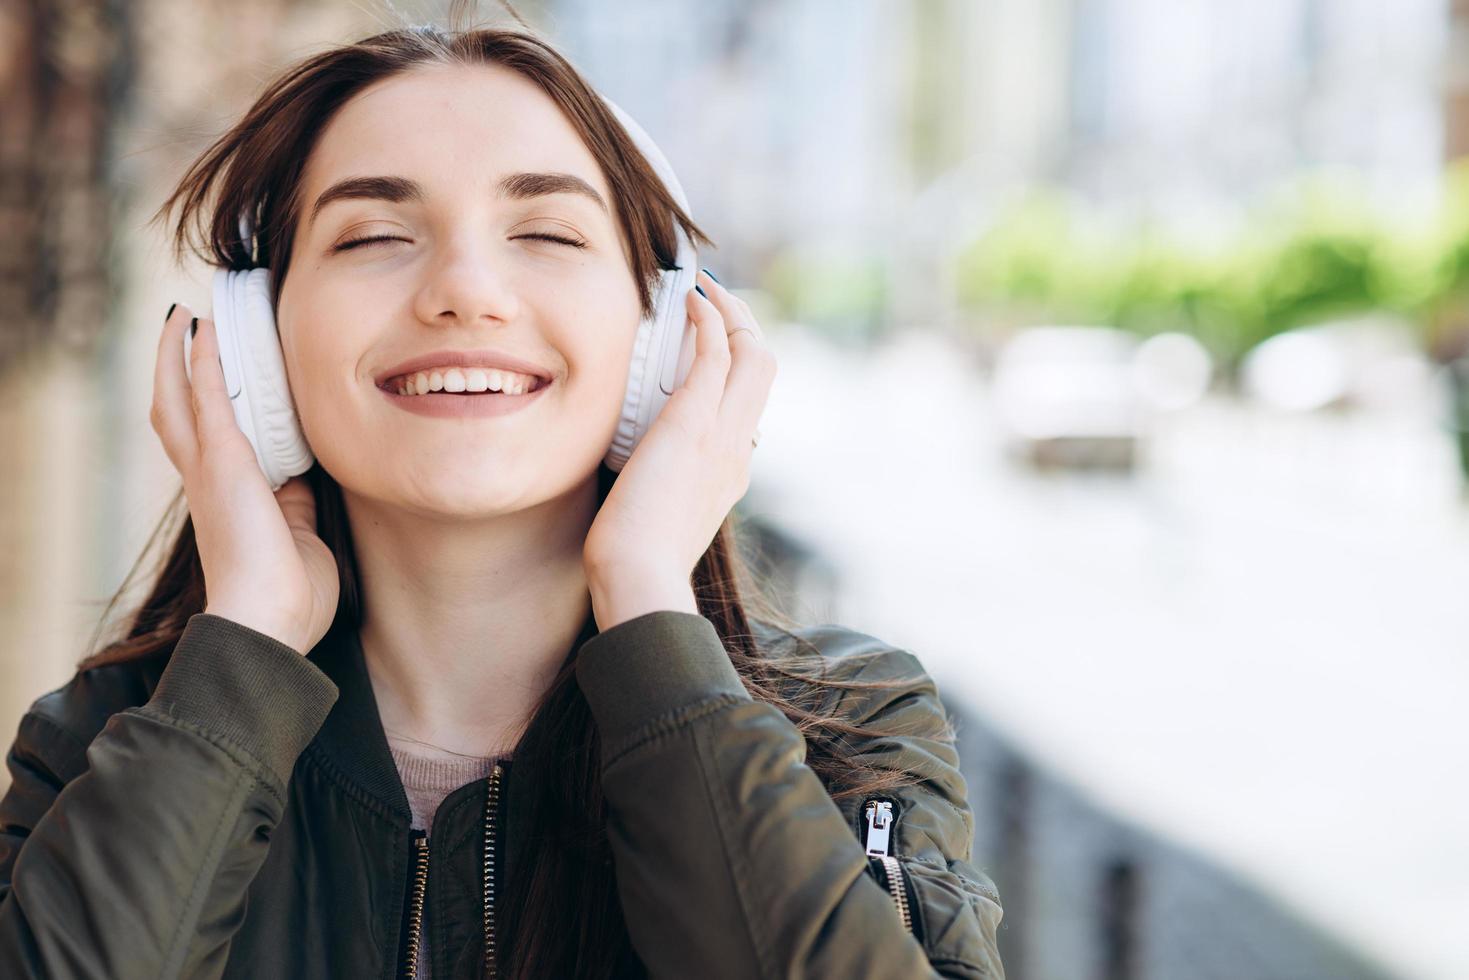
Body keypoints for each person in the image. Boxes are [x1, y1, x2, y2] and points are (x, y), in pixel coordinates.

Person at [0, 14, 1005, 980]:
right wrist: (244, 654)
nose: (466, 289)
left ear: (662, 341)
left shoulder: (855, 735)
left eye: (546, 232)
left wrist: (651, 612)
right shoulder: (119, 737)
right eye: (373, 234)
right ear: (258, 346)